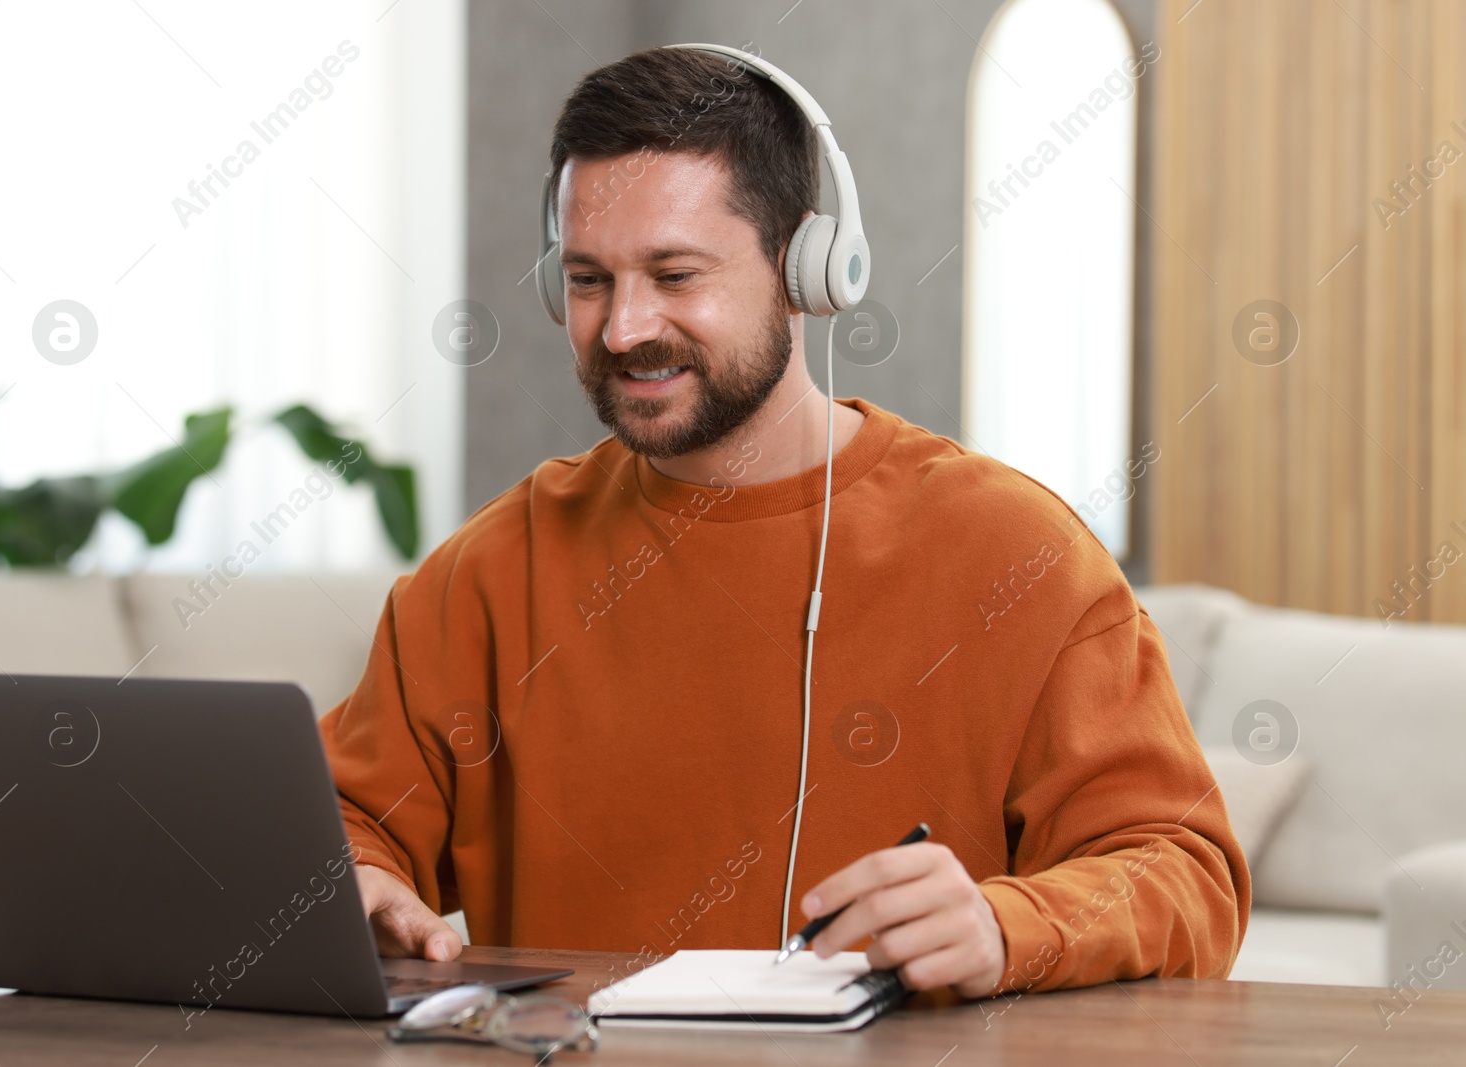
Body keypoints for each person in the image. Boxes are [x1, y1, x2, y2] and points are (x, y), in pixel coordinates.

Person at [321, 45, 1248, 1001]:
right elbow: (339, 818)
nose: (625, 326)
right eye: (590, 279)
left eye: (676, 274)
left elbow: (1182, 869)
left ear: (809, 268)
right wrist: (360, 878)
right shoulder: (493, 565)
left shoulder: (1016, 550)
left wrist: (1008, 926)